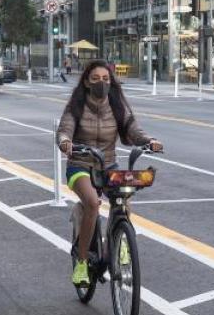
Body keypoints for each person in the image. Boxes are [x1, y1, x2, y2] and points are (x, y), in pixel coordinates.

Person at [56, 60, 163, 286]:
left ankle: (121, 245)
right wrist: (66, 142)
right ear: (86, 82)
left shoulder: (116, 104)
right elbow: (65, 129)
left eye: (106, 79)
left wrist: (149, 141)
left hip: (108, 164)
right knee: (93, 203)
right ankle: (82, 262)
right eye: (95, 79)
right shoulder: (76, 104)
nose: (101, 83)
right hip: (80, 164)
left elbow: (132, 128)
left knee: (123, 200)